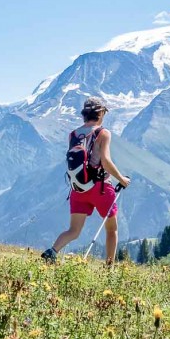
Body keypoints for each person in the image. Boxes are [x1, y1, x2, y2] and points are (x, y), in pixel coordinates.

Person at [41, 97, 131, 264]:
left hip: (78, 187)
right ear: (101, 113)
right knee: (111, 229)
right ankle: (109, 268)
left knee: (73, 230)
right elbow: (105, 161)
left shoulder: (73, 135)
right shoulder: (103, 133)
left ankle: (51, 252)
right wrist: (122, 179)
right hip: (100, 188)